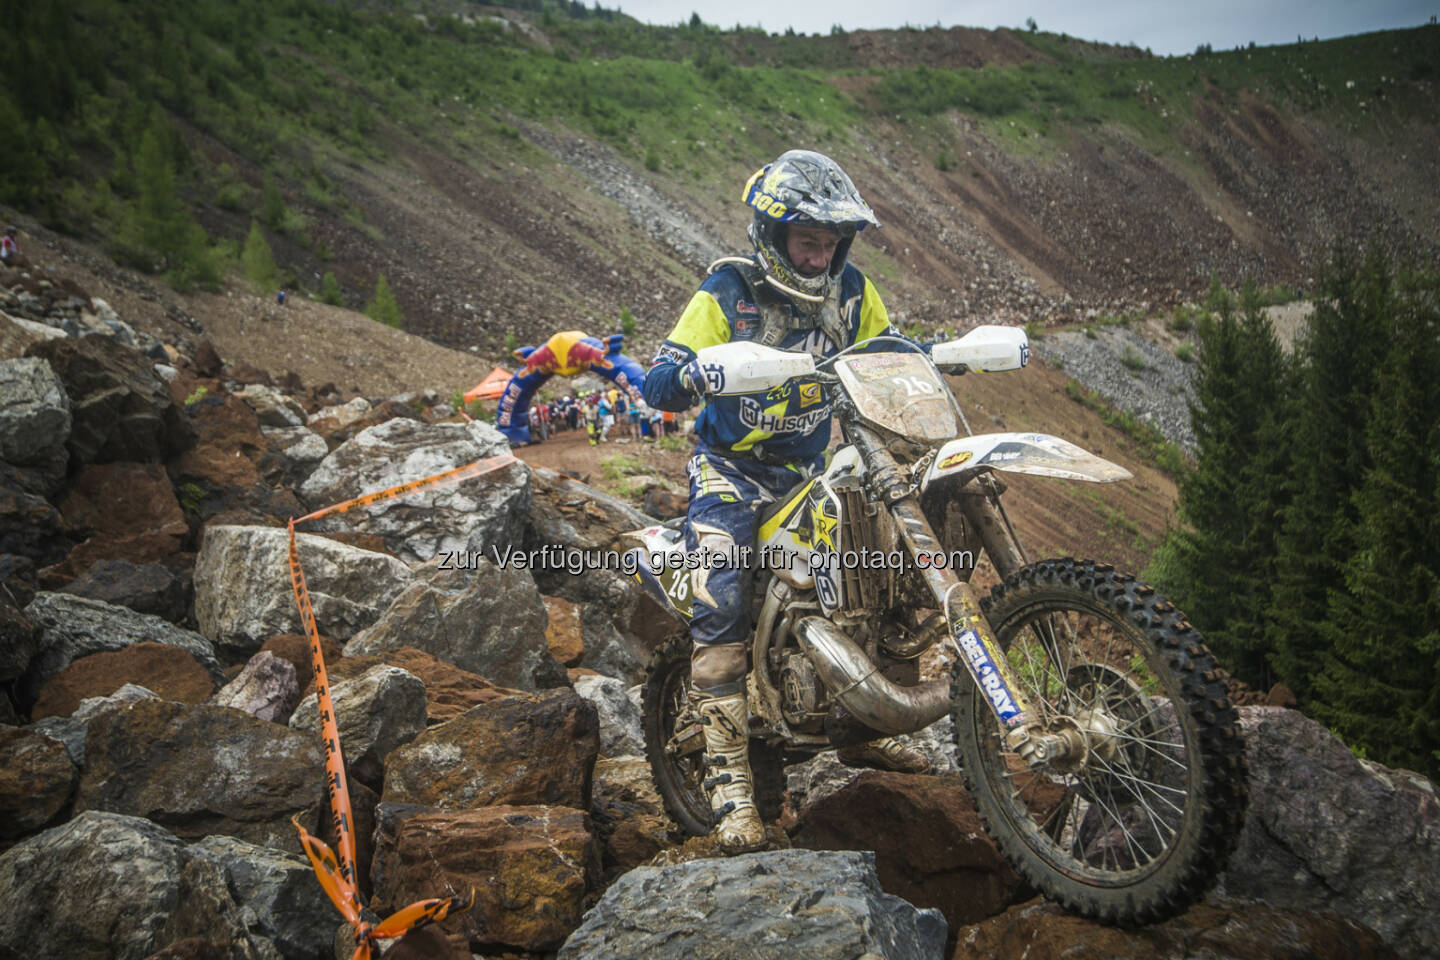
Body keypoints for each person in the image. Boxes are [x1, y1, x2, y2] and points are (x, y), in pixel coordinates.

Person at [642, 149, 931, 853]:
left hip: (811, 468)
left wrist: (929, 357)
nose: (820, 253)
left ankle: (867, 725)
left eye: (831, 241)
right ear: (772, 234)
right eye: (808, 239)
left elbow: (890, 354)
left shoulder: (853, 291)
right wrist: (696, 372)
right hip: (730, 474)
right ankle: (733, 785)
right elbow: (657, 382)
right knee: (721, 598)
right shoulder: (729, 290)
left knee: (889, 565)